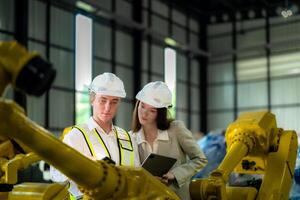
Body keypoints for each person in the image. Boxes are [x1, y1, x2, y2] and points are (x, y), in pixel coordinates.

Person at [50, 72, 140, 199]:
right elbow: (56, 176)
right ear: (92, 99)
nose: (108, 107)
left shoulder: (128, 138)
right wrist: (80, 164)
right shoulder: (76, 136)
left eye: (114, 102)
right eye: (103, 100)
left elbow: (137, 176)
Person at [131, 81, 207, 200]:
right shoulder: (131, 137)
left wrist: (175, 175)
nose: (144, 113)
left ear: (160, 113)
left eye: (152, 110)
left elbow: (200, 159)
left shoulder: (176, 129)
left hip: (176, 196)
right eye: (142, 106)